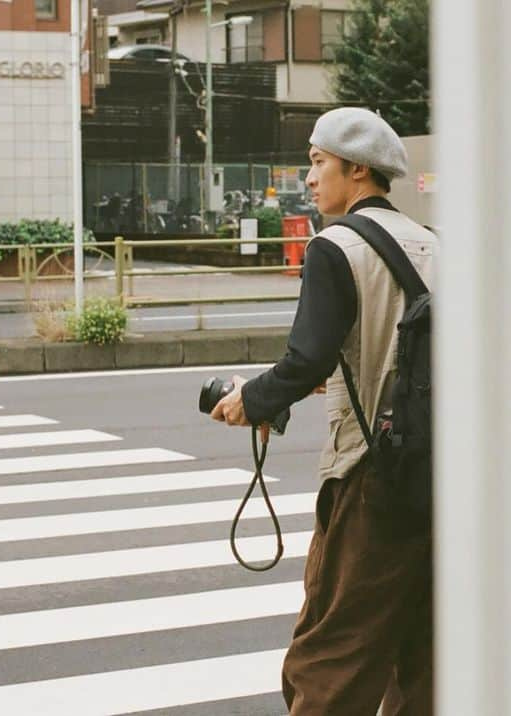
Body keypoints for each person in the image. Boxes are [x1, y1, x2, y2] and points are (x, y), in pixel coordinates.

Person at [210, 107, 437, 715]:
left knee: (331, 656)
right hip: (441, 478)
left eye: (317, 162)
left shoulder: (335, 247)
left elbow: (304, 360)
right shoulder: (436, 246)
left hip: (371, 478)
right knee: (425, 657)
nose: (308, 178)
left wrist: (249, 400)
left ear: (356, 169)